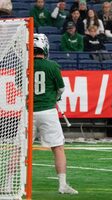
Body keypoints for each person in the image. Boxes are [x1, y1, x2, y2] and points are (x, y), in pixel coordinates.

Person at [33, 33, 78, 194]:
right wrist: (55, 97)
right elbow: (60, 89)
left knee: (21, 151)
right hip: (48, 112)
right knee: (58, 148)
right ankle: (62, 184)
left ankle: (10, 184)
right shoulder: (52, 66)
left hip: (29, 112)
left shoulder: (24, 65)